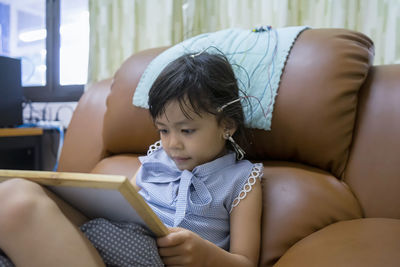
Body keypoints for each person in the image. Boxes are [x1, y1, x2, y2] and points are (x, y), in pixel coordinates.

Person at [0, 51, 262, 267]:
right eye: (163, 130)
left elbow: (246, 262)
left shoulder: (242, 179)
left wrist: (205, 255)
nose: (172, 144)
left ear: (227, 125)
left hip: (156, 258)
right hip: (113, 246)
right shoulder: (156, 160)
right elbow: (121, 209)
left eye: (187, 131)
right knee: (14, 193)